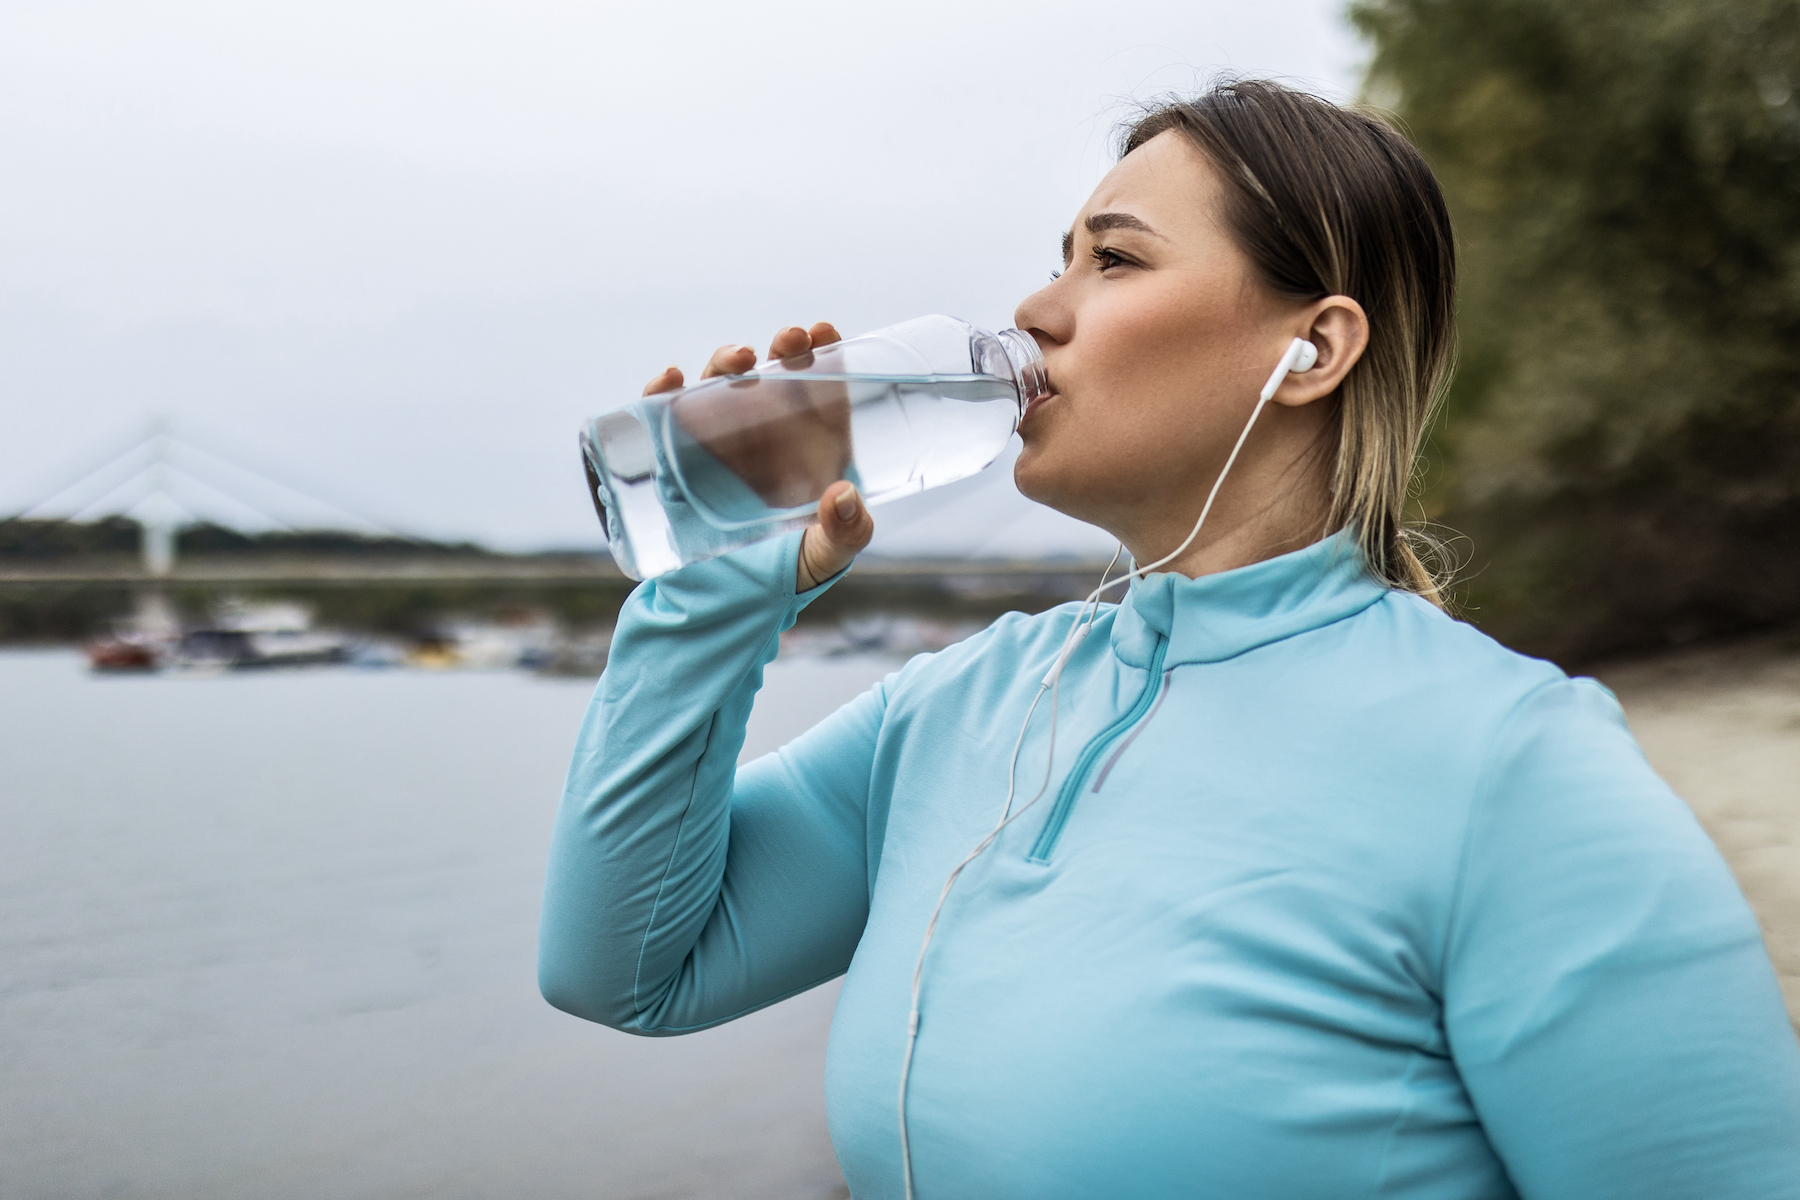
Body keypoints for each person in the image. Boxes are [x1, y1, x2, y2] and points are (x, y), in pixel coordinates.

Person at [537, 81, 1800, 1199]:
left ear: (1312, 350)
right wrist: (708, 602)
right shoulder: (960, 706)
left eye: (1116, 262)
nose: (1037, 309)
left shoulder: (1511, 768)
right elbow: (628, 972)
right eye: (1059, 258)